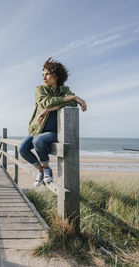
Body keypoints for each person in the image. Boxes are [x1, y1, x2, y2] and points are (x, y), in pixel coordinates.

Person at [19, 58, 87, 187]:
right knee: (22, 149)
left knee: (38, 141)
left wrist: (49, 109)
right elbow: (46, 102)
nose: (44, 77)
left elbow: (72, 104)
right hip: (38, 129)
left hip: (55, 132)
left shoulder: (64, 89)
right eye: (42, 74)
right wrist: (73, 97)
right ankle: (42, 170)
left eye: (47, 74)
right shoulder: (40, 89)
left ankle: (46, 169)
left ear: (56, 75)